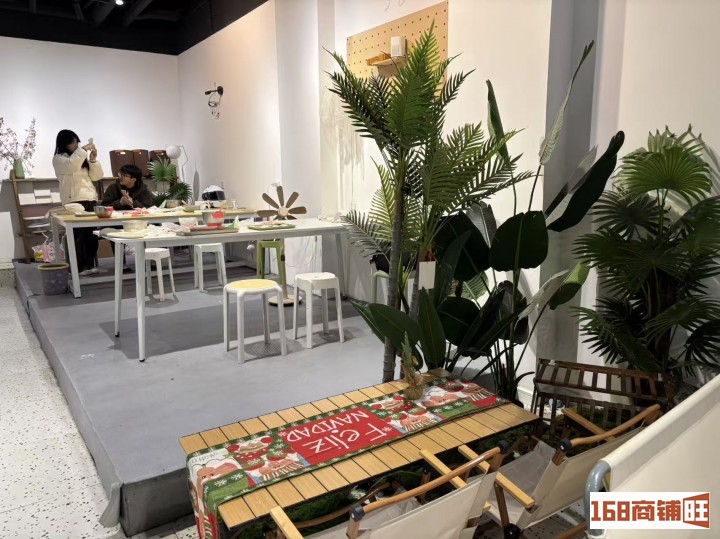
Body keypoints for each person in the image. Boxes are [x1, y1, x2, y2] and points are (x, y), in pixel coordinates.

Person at [52, 129, 104, 276]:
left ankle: (89, 264)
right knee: (78, 235)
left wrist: (93, 160)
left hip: (90, 198)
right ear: (64, 143)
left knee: (91, 235)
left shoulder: (80, 157)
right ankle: (79, 267)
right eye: (73, 142)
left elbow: (97, 176)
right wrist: (83, 150)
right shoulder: (59, 159)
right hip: (73, 201)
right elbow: (72, 166)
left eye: (77, 142)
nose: (76, 145)